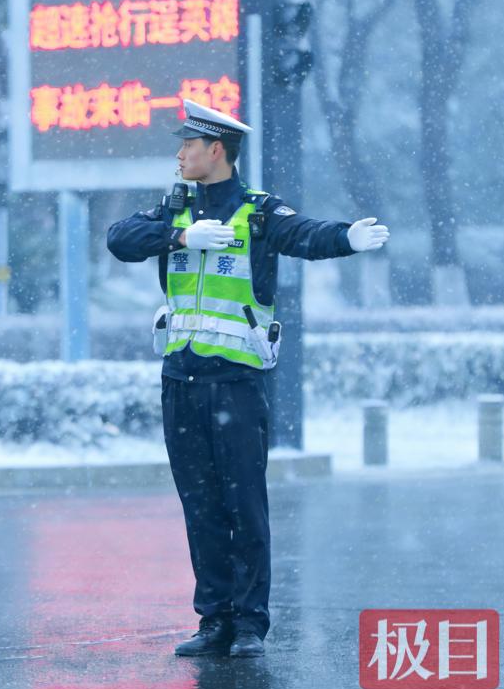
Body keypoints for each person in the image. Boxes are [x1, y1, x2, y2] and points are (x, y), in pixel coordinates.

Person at [106, 99, 389, 658]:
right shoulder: (174, 210)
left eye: (188, 145)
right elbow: (120, 239)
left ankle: (250, 624)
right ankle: (214, 620)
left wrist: (346, 238)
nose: (179, 154)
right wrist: (179, 238)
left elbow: (304, 234)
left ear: (217, 150)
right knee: (200, 507)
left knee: (245, 508)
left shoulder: (257, 212)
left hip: (236, 383)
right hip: (180, 381)